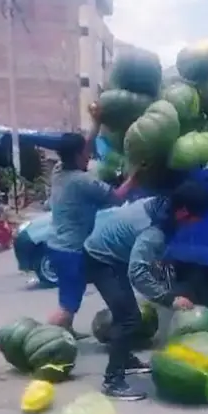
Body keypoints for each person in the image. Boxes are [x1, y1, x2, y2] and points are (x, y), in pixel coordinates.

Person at [83, 180, 208, 401]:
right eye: (196, 217)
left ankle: (124, 359)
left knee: (128, 312)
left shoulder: (161, 205)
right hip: (101, 261)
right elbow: (138, 271)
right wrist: (168, 298)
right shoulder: (154, 231)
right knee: (129, 319)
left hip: (114, 256)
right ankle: (112, 381)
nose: (196, 223)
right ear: (183, 212)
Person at [46, 132, 137, 335]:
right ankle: (42, 339)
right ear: (78, 155)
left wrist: (95, 122)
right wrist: (135, 177)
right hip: (72, 251)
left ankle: (67, 332)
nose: (89, 156)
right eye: (86, 153)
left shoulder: (58, 170)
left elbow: (81, 146)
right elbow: (116, 198)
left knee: (68, 296)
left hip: (56, 246)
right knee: (67, 307)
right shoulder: (83, 182)